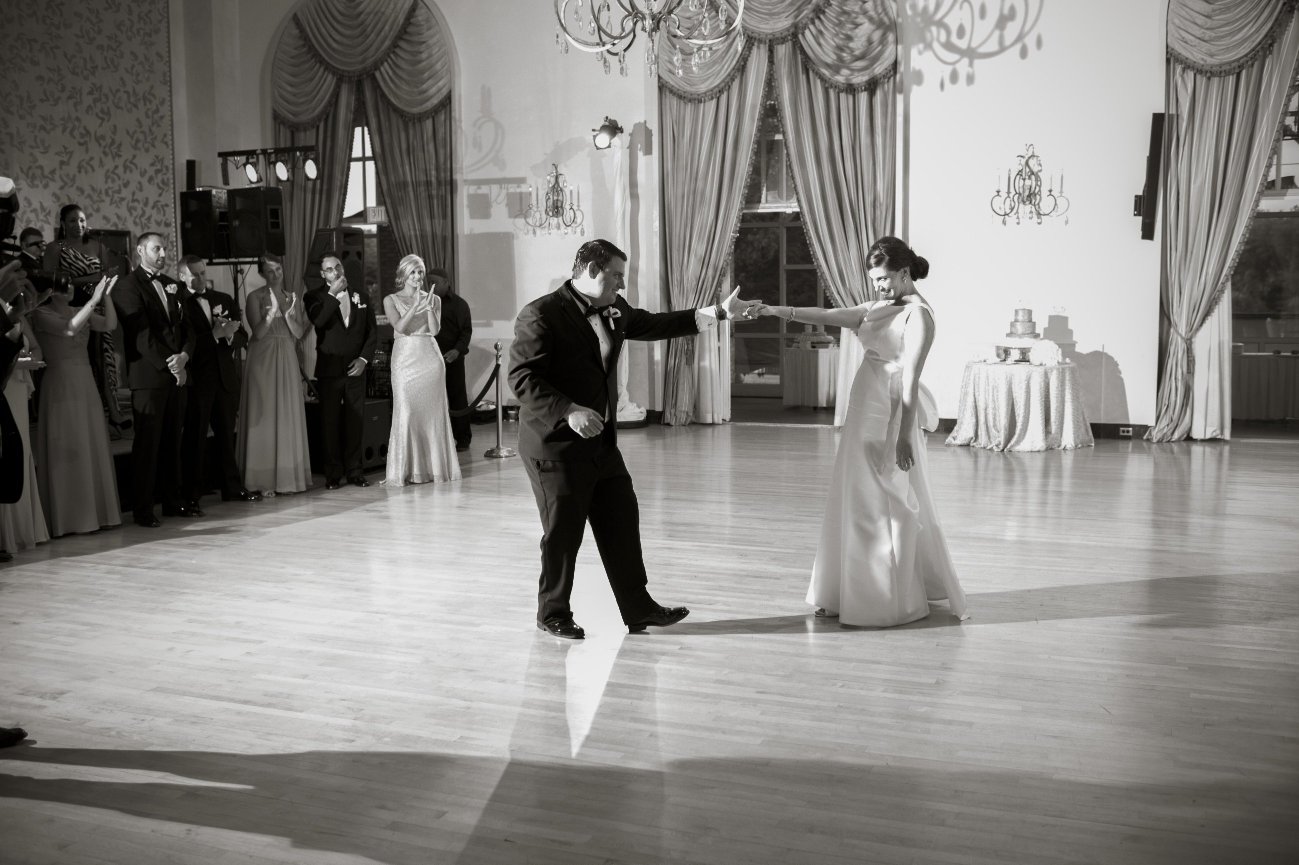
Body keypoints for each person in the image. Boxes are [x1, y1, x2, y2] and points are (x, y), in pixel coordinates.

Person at [509, 238, 756, 639]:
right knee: (563, 533)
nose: (622, 284)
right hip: (554, 446)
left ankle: (638, 607)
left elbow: (656, 324)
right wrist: (568, 410)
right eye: (617, 275)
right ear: (592, 270)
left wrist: (720, 312)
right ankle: (552, 612)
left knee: (621, 519)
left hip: (601, 443)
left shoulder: (615, 308)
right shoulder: (541, 314)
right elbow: (522, 378)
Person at [748, 236, 967, 627]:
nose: (878, 286)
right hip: (862, 412)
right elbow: (827, 314)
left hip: (889, 417)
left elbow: (910, 380)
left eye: (884, 278)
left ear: (904, 272)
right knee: (853, 499)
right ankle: (842, 592)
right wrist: (774, 310)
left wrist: (904, 436)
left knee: (884, 503)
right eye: (874, 280)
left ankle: (886, 600)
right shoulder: (877, 307)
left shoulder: (919, 316)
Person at [113, 232, 196, 527]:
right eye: (156, 248)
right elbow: (141, 335)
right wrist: (170, 365)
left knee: (173, 441)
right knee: (148, 445)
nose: (163, 254)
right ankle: (143, 509)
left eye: (164, 249)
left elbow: (189, 328)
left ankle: (173, 502)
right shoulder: (126, 286)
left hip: (178, 373)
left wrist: (184, 356)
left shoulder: (173, 285)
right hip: (149, 376)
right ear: (140, 251)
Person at [30, 274, 122, 537]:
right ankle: (69, 519)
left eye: (71, 284)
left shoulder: (79, 309)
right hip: (60, 382)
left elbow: (110, 324)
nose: (70, 288)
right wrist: (94, 300)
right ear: (51, 291)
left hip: (85, 380)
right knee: (68, 442)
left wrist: (105, 297)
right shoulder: (40, 314)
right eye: (64, 285)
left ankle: (97, 514)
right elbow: (69, 329)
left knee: (89, 440)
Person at [177, 255, 261, 508]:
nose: (201, 278)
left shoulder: (223, 299)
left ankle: (231, 487)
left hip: (225, 378)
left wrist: (229, 336)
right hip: (198, 380)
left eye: (203, 272)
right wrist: (214, 335)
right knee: (195, 437)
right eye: (195, 274)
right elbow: (184, 341)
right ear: (182, 276)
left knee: (226, 435)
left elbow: (243, 337)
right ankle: (191, 494)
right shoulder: (179, 302)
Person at [43, 204, 130, 438]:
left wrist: (104, 280)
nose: (78, 224)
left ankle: (113, 414)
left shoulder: (97, 246)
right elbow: (52, 281)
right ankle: (91, 417)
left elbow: (107, 277)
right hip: (71, 310)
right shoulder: (56, 248)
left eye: (82, 220)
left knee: (105, 361)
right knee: (87, 361)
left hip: (98, 308)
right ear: (63, 223)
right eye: (72, 220)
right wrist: (93, 278)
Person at [382, 255, 461, 486]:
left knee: (432, 416)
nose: (417, 277)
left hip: (430, 359)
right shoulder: (390, 300)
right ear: (403, 274)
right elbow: (399, 327)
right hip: (404, 360)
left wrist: (428, 308)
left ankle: (434, 469)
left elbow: (435, 330)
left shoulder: (434, 298)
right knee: (406, 413)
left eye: (420, 272)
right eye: (413, 272)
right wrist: (415, 305)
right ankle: (407, 470)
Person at [237, 253, 311, 496]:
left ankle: (287, 477)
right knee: (265, 411)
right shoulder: (254, 297)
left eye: (278, 269)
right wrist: (271, 314)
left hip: (286, 354)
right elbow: (257, 333)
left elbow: (299, 333)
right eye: (269, 270)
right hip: (263, 357)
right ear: (261, 274)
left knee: (286, 411)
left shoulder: (292, 297)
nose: (275, 274)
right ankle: (261, 479)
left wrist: (288, 314)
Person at [305, 252, 377, 489]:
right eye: (329, 269)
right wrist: (333, 294)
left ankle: (355, 471)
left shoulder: (361, 296)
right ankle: (333, 474)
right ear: (322, 274)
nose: (335, 272)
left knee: (355, 422)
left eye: (337, 267)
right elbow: (319, 321)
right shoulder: (313, 297)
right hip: (330, 370)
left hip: (356, 369)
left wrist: (364, 359)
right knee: (330, 423)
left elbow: (371, 332)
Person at [0, 288, 50, 557]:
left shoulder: (15, 309)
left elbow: (35, 347)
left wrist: (32, 360)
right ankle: (4, 536)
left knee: (18, 454)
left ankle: (23, 529)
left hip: (17, 388)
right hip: (4, 387)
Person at [429, 267, 472, 451]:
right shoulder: (426, 303)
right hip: (430, 359)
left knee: (457, 397)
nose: (431, 286)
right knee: (432, 399)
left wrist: (457, 351)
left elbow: (466, 332)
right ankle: (436, 439)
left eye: (435, 282)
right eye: (429, 282)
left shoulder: (459, 305)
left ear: (446, 283)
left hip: (452, 358)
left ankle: (462, 438)